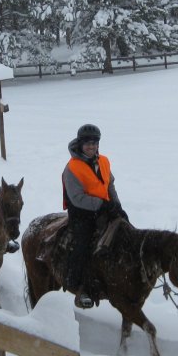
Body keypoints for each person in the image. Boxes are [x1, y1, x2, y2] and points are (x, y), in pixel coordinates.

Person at [62, 123, 127, 309]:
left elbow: (110, 185)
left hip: (105, 210)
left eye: (94, 143)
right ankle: (78, 286)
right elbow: (76, 198)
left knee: (126, 233)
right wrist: (102, 205)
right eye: (87, 143)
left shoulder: (104, 161)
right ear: (80, 144)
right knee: (83, 244)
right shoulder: (72, 168)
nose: (91, 147)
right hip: (82, 214)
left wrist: (117, 207)